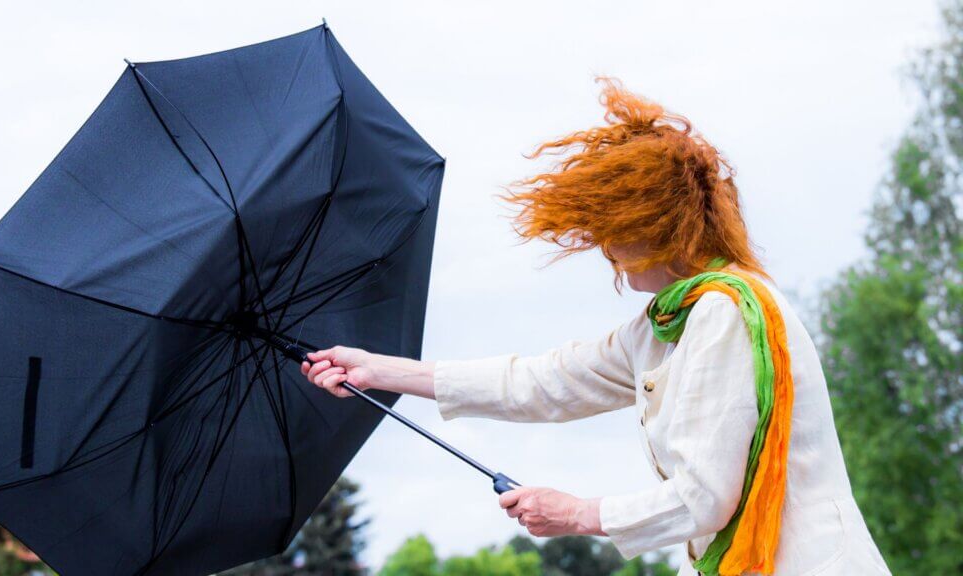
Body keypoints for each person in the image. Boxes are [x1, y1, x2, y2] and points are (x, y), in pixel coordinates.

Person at [300, 78, 891, 576]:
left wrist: (578, 514)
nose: (603, 245)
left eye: (609, 224)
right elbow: (540, 381)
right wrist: (381, 371)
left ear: (655, 223)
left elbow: (705, 499)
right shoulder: (665, 325)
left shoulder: (724, 314)